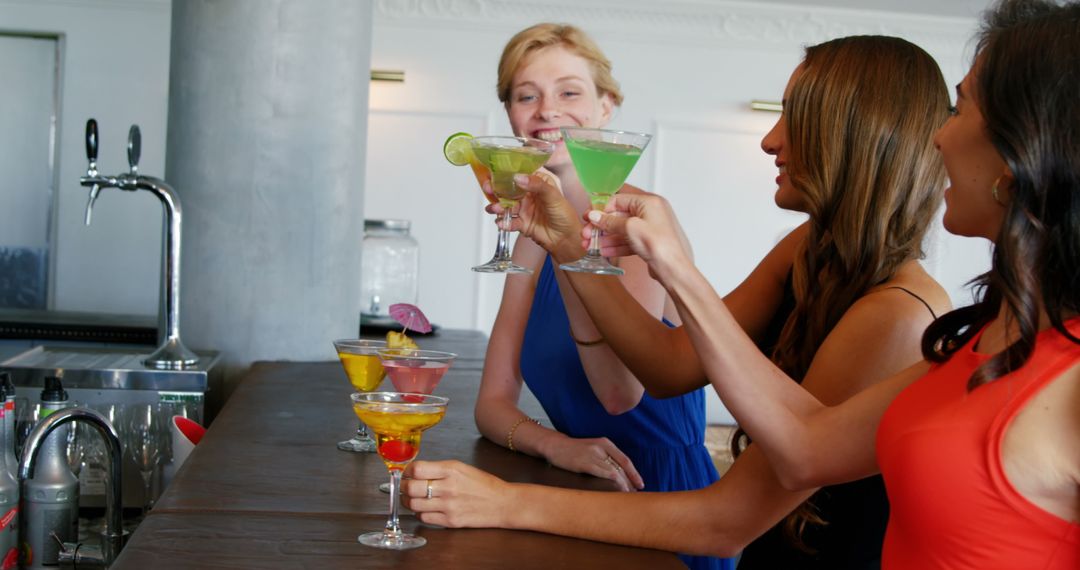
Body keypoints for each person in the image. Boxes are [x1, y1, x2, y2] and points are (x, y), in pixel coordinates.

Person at [428, 1, 1080, 567]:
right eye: (525, 94)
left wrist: (511, 502)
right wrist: (571, 244)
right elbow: (777, 432)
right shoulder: (975, 330)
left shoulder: (908, 317)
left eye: (961, 108)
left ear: (1020, 152)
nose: (936, 137)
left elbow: (731, 508)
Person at [471, 24, 730, 570]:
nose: (547, 110)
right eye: (527, 95)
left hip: (661, 497)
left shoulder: (639, 222)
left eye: (569, 91)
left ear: (605, 107)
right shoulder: (527, 234)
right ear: (511, 117)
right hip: (575, 488)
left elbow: (618, 394)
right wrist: (554, 445)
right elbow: (491, 404)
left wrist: (567, 247)